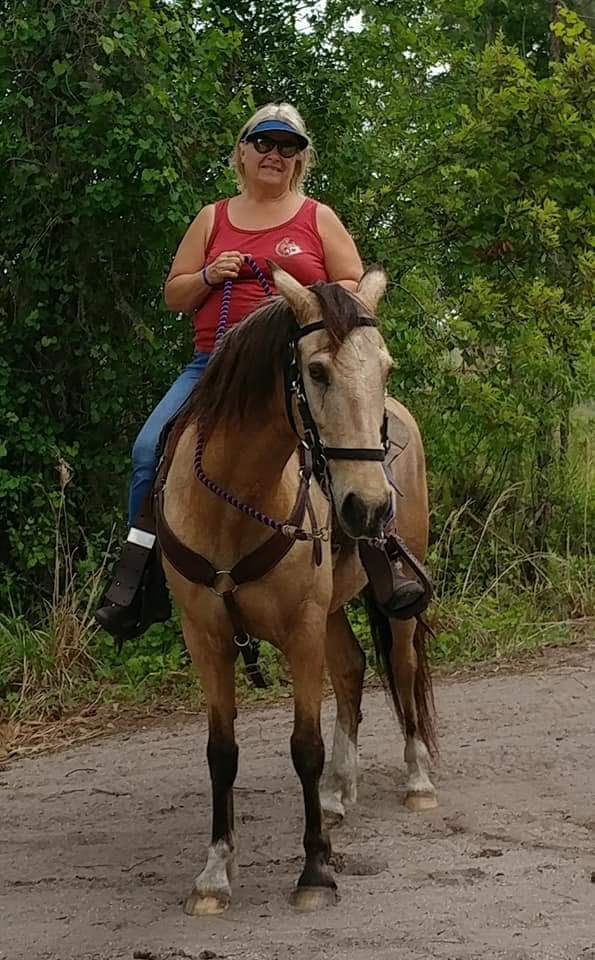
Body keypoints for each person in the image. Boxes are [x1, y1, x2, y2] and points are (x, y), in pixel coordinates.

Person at [96, 102, 425, 639]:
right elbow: (175, 295)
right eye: (264, 144)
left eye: (288, 147)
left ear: (301, 159)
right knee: (148, 448)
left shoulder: (317, 217)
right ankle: (142, 573)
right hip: (216, 368)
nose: (275, 155)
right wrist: (207, 273)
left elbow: (352, 290)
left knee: (351, 446)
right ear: (243, 153)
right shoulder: (213, 218)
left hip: (298, 369)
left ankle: (380, 555)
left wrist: (298, 300)